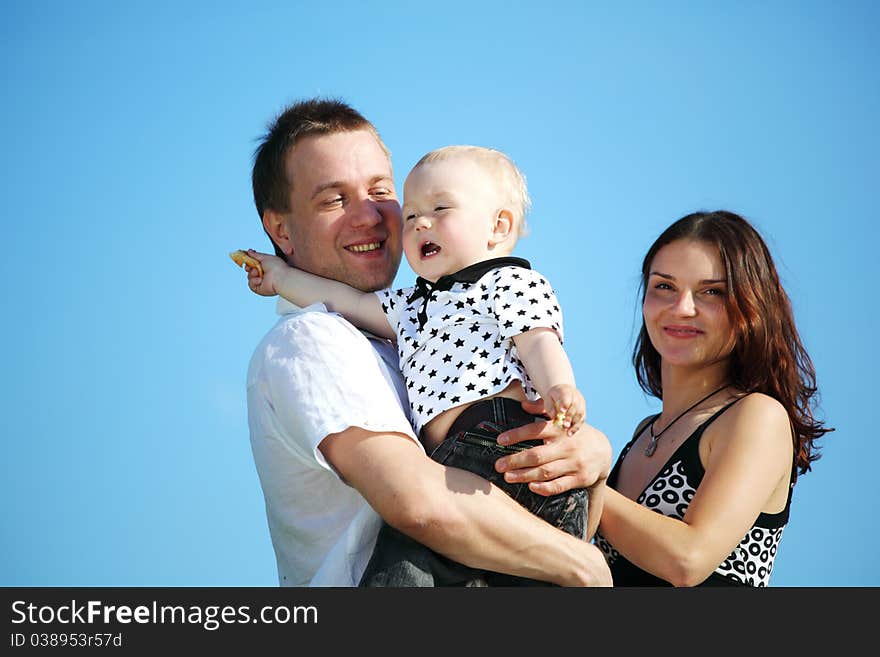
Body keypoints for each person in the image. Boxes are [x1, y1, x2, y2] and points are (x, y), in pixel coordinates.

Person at [242, 97, 612, 586]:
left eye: (380, 191)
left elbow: (539, 349)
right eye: (334, 199)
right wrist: (581, 564)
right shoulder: (310, 339)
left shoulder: (417, 323)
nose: (371, 216)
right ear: (281, 230)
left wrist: (594, 457)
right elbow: (416, 502)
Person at [593, 210, 833, 586]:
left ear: (751, 307)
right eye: (664, 287)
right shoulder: (644, 435)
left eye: (711, 292)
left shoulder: (756, 416)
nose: (682, 308)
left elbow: (689, 560)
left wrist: (585, 484)